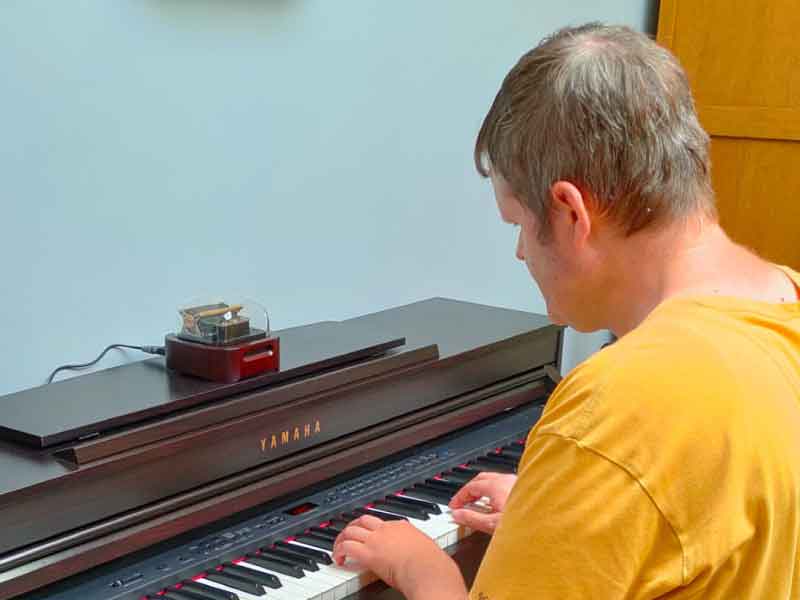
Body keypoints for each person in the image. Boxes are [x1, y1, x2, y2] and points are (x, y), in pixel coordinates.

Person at [332, 23, 800, 599]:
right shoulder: (784, 301)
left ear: (570, 213)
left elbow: (637, 453)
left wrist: (422, 570)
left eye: (518, 224)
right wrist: (559, 512)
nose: (520, 252)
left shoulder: (621, 410)